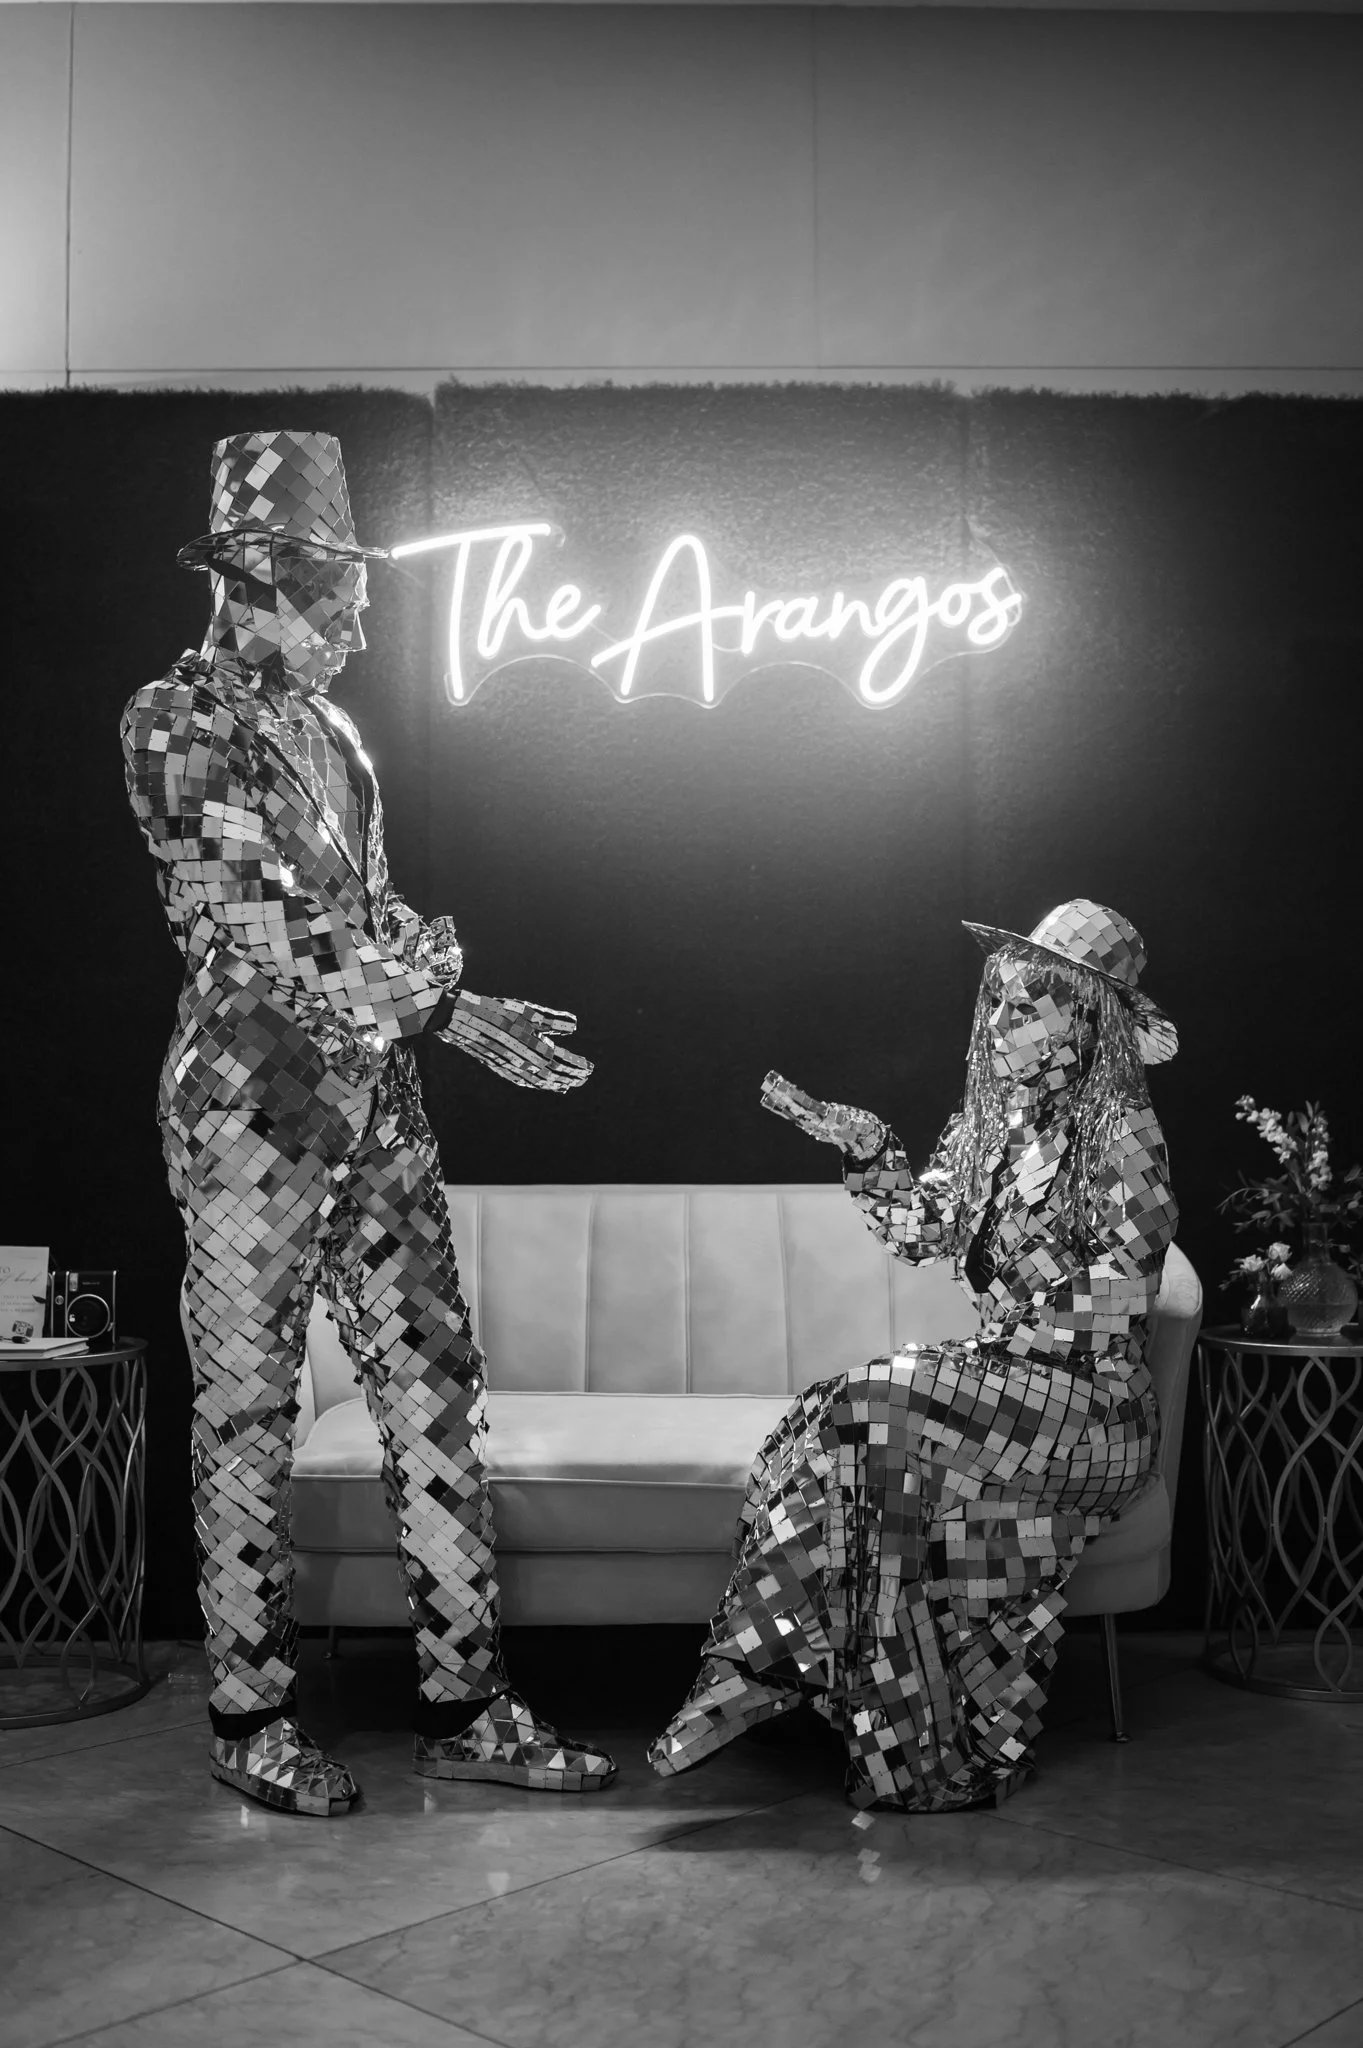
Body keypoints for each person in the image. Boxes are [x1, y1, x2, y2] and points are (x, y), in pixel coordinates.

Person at [123, 430, 615, 1816]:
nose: (357, 628)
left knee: (437, 1397)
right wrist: (444, 1003)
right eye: (337, 599)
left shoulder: (338, 737)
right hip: (248, 1128)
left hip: (379, 1116)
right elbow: (266, 924)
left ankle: (466, 1702)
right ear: (255, 583)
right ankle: (249, 1717)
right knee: (246, 1416)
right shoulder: (170, 723)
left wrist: (440, 976)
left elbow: (368, 912)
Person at [648, 900, 1178, 1812]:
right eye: (995, 1001)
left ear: (1083, 1021)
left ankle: (758, 1669)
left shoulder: (1123, 1136)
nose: (997, 1022)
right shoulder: (986, 1130)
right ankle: (864, 1727)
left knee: (869, 1401)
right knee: (841, 1421)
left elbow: (1118, 1298)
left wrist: (975, 1364)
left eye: (1023, 1007)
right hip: (1003, 1391)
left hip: (1091, 1413)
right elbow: (917, 1230)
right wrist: (868, 1147)